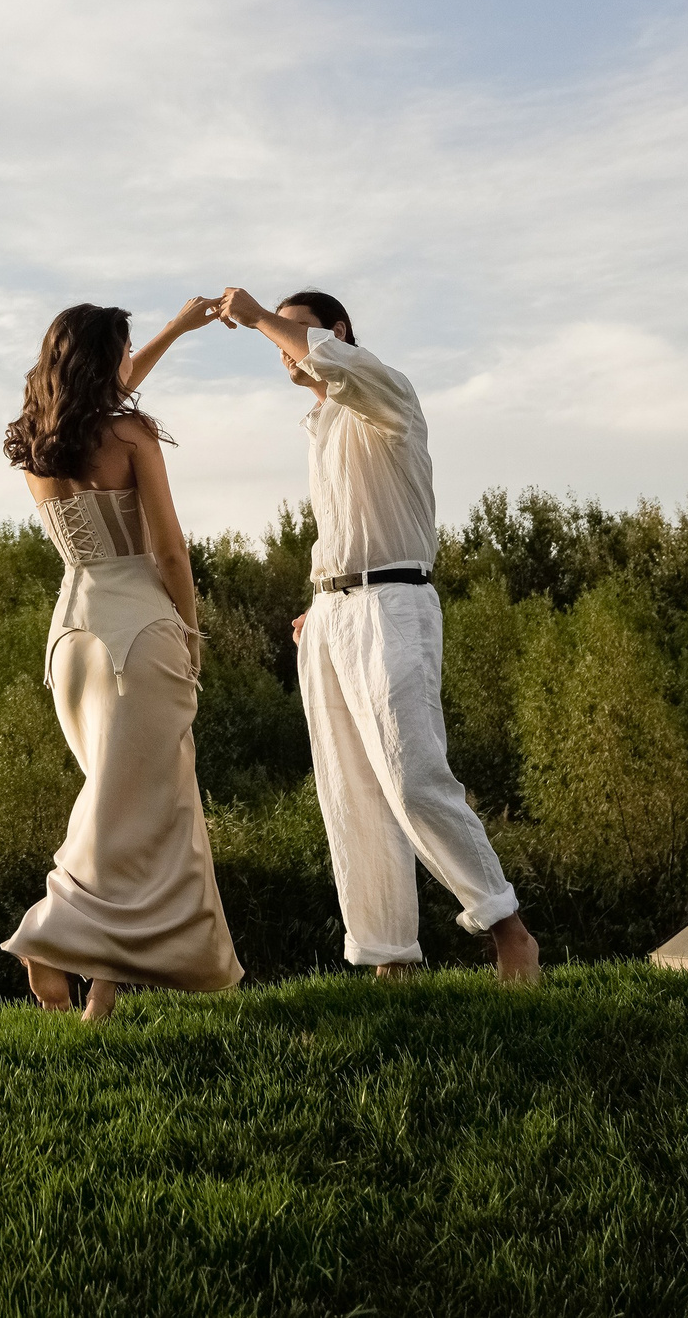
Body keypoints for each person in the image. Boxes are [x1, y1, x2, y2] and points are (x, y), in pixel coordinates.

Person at [217, 285, 540, 984]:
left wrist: (260, 316)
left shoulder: (386, 392)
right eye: (278, 337)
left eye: (296, 333)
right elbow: (349, 526)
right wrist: (322, 601)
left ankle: (507, 927)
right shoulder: (320, 425)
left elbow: (333, 365)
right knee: (350, 792)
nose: (282, 348)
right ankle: (388, 956)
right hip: (333, 616)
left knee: (412, 775)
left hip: (393, 605)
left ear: (336, 332)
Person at [0, 298, 245, 1023]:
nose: (131, 363)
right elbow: (170, 550)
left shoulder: (38, 442)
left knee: (133, 809)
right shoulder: (131, 435)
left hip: (72, 640)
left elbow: (107, 388)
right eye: (125, 351)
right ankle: (49, 934)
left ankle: (102, 994)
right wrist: (191, 633)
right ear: (106, 362)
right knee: (132, 809)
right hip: (139, 633)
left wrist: (175, 329)